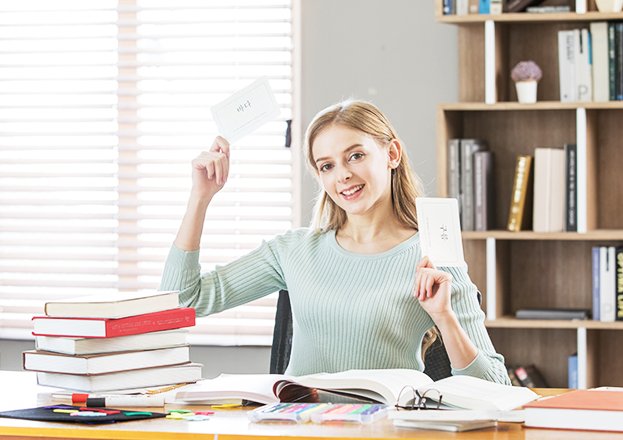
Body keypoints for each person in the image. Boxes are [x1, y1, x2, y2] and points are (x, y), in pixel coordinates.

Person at [159, 99, 510, 385]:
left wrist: (445, 317)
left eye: (356, 156)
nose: (342, 175)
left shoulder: (434, 259)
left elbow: (496, 387)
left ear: (392, 154)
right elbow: (182, 303)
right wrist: (200, 198)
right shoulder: (293, 251)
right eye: (326, 166)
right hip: (299, 427)